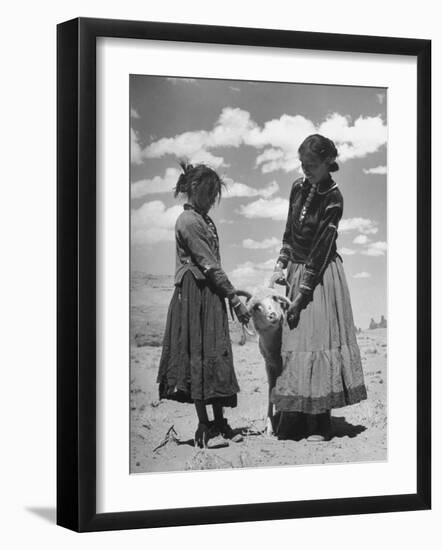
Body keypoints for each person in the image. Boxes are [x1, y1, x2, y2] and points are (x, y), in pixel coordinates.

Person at [269, 134, 367, 442]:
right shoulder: (298, 187)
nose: (305, 169)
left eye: (311, 165)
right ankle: (295, 419)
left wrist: (301, 296)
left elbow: (322, 248)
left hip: (320, 276)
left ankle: (320, 422)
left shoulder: (333, 198)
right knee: (294, 345)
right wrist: (280, 265)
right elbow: (288, 230)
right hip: (297, 271)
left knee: (317, 342)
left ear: (327, 163)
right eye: (302, 164)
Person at [157, 162, 250, 449]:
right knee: (197, 356)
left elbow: (213, 265)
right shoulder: (188, 222)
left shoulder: (204, 220)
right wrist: (233, 297)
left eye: (214, 196)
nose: (212, 201)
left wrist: (230, 291)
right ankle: (204, 427)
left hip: (209, 295)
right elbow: (208, 264)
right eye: (209, 194)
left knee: (215, 354)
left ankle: (219, 422)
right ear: (194, 189)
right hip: (194, 296)